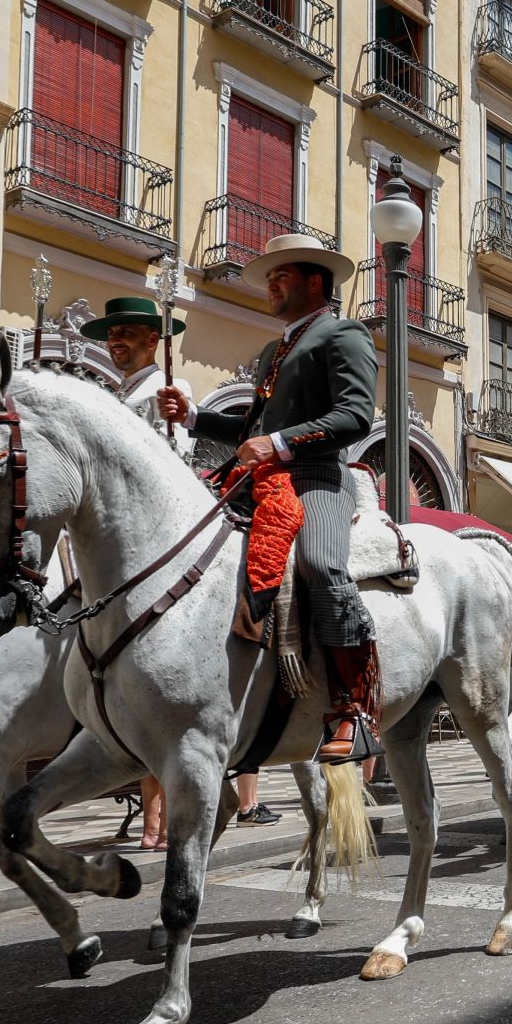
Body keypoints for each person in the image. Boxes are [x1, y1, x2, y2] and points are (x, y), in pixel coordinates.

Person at [159, 234, 381, 762]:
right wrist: (192, 417)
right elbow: (252, 427)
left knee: (320, 564)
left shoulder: (343, 334)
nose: (271, 287)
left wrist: (279, 443)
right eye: (270, 278)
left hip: (316, 476)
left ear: (314, 282)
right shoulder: (274, 350)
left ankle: (353, 708)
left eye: (282, 277)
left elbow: (356, 416)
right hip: (258, 478)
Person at [82, 296, 194, 458]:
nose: (114, 340)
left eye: (125, 332)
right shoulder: (121, 390)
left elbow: (175, 457)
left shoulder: (169, 388)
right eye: (110, 333)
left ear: (152, 340)